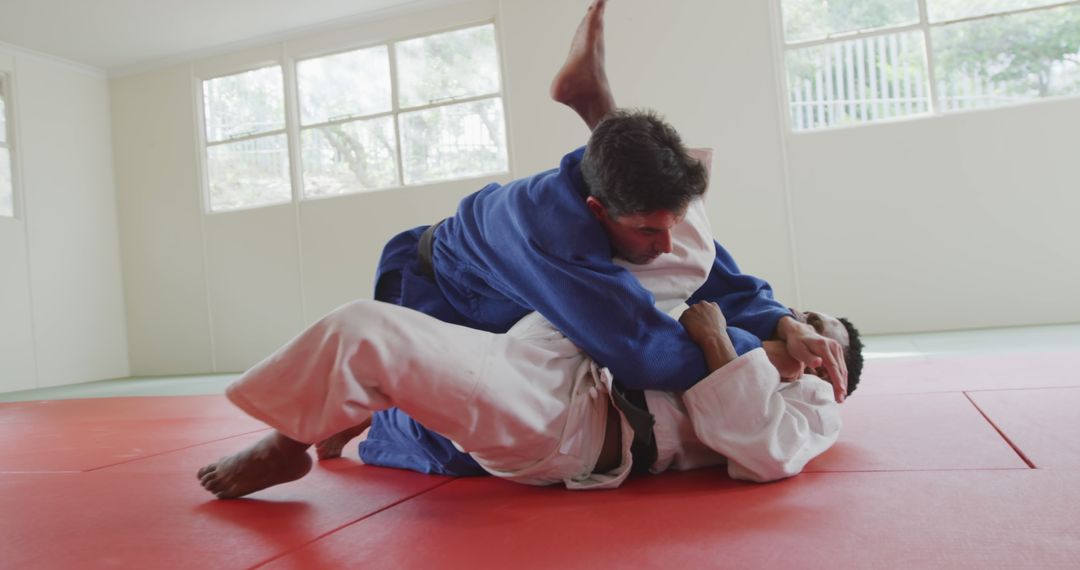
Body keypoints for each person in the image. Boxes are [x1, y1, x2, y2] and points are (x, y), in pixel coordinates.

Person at [353, 0, 850, 477]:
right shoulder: (555, 238)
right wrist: (755, 350)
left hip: (518, 287)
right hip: (442, 289)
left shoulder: (628, 202)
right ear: (597, 211)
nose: (665, 244)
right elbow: (640, 350)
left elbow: (713, 276)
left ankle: (600, 109)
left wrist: (783, 322)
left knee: (678, 262)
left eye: (671, 224)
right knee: (454, 435)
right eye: (649, 230)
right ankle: (356, 415)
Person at [198, 189, 859, 499]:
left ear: (837, 378)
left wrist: (720, 344)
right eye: (800, 313)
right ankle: (598, 137)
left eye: (818, 328)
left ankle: (293, 441)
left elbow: (761, 456)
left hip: (573, 420)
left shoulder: (814, 410)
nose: (799, 325)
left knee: (360, 329)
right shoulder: (758, 322)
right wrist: (763, 328)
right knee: (673, 238)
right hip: (554, 348)